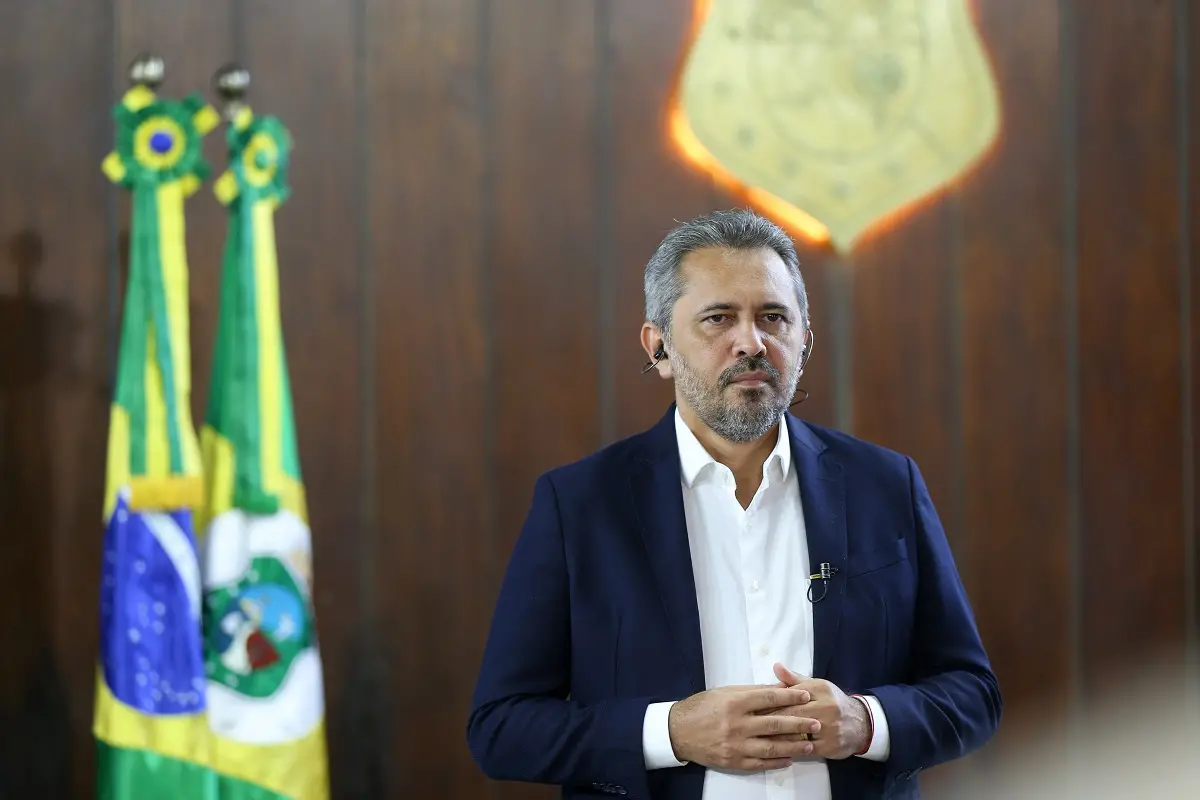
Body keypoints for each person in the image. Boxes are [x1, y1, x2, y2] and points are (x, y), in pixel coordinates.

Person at [467, 209, 1001, 799]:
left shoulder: (886, 484)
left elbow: (972, 693)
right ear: (659, 347)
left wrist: (866, 722)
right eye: (718, 318)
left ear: (804, 340)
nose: (751, 342)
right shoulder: (578, 505)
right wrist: (670, 733)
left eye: (773, 317)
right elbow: (501, 728)